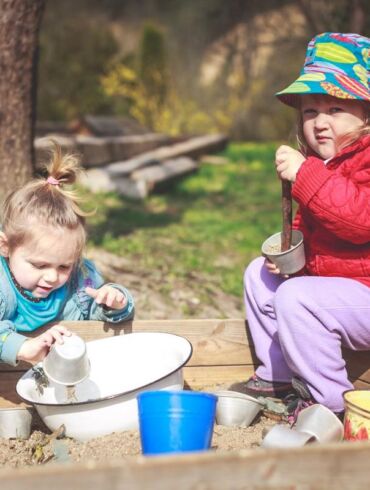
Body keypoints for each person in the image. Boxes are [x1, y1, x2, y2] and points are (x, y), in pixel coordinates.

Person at [241, 32, 370, 416]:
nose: (320, 123)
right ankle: (279, 372)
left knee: (296, 298)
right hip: (345, 294)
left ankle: (328, 403)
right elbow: (321, 234)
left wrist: (307, 177)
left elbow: (360, 221)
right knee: (258, 277)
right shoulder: (322, 165)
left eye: (334, 110)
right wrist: (294, 259)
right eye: (311, 112)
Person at [0, 144, 134, 367]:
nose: (53, 277)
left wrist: (114, 302)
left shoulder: (80, 278)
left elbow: (97, 312)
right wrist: (22, 347)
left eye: (64, 266)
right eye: (39, 265)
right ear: (5, 247)